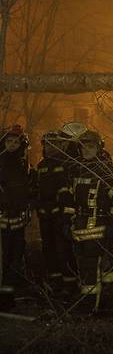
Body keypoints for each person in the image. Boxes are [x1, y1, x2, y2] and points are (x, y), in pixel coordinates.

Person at [67, 130, 113, 312]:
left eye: (91, 146)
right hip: (79, 227)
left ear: (99, 148)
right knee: (87, 265)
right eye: (83, 146)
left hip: (100, 227)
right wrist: (66, 221)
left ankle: (91, 305)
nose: (86, 150)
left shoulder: (106, 170)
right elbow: (70, 198)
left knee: (94, 265)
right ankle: (106, 299)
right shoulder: (76, 168)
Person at [32, 130, 78, 296]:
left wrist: (67, 216)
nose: (50, 147)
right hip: (45, 216)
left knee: (64, 250)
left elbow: (69, 193)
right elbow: (37, 191)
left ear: (61, 145)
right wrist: (38, 207)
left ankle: (70, 284)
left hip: (61, 216)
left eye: (54, 144)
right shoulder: (41, 166)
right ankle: (55, 281)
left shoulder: (67, 164)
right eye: (47, 144)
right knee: (48, 249)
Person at [0, 125, 31, 310]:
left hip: (18, 220)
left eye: (15, 142)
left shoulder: (24, 164)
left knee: (15, 256)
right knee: (3, 257)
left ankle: (7, 296)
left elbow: (28, 190)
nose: (12, 145)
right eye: (8, 141)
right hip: (2, 219)